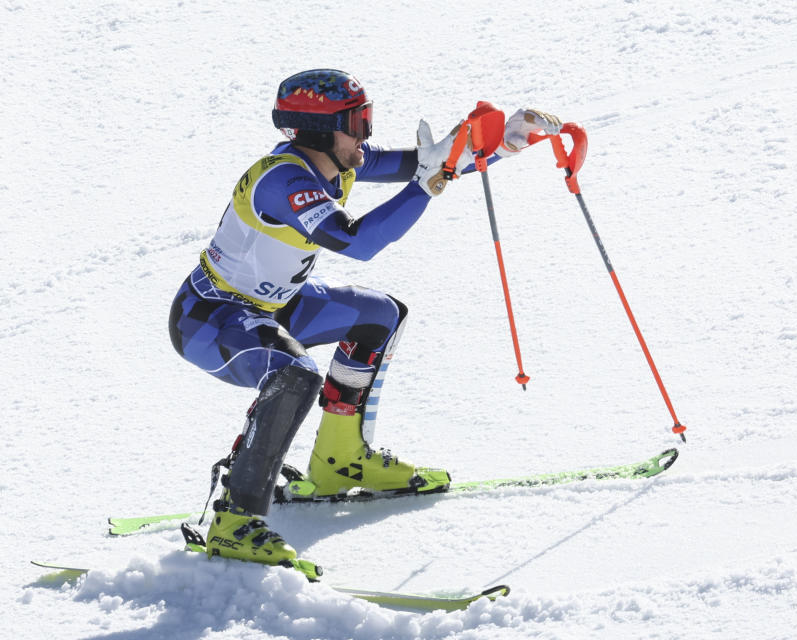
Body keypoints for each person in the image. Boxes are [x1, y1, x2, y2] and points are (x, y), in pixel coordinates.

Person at [168, 68, 561, 566]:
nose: (365, 134)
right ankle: (236, 520)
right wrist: (423, 186)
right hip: (211, 318)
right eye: (356, 122)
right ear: (317, 131)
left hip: (277, 305)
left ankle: (340, 459)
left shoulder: (341, 162)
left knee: (379, 317)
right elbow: (356, 242)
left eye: (366, 119)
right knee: (293, 375)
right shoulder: (282, 181)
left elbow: (432, 164)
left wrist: (506, 142)